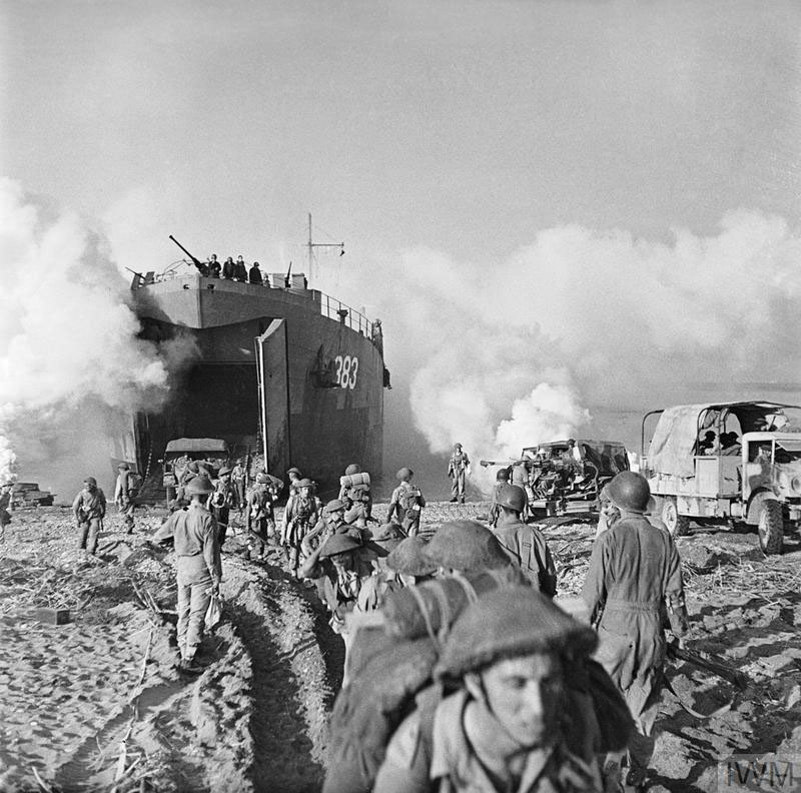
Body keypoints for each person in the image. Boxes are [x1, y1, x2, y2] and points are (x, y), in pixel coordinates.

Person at [374, 587, 607, 793]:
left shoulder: (572, 724)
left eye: (548, 681)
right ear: (475, 684)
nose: (538, 707)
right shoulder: (424, 742)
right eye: (516, 684)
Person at [581, 471, 688, 792]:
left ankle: (607, 772)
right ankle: (636, 775)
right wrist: (678, 632)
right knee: (644, 713)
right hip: (651, 634)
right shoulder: (664, 538)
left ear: (616, 502)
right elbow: (675, 596)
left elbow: (591, 599)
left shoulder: (609, 539)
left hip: (613, 635)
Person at [153, 476, 222, 673]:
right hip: (200, 567)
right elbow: (210, 553)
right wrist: (216, 577)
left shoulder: (178, 515)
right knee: (197, 614)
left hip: (182, 566)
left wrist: (175, 545)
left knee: (183, 608)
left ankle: (183, 645)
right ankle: (189, 656)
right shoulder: (207, 518)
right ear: (206, 496)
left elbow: (158, 538)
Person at [299, 533, 374, 661]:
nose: (339, 562)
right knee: (353, 653)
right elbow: (305, 571)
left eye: (342, 556)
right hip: (346, 619)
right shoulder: (332, 567)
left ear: (352, 553)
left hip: (367, 618)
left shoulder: (367, 565)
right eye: (334, 558)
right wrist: (323, 545)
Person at [493, 485, 557, 596]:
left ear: (500, 508)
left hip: (503, 607)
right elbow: (550, 577)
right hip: (533, 605)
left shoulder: (493, 539)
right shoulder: (535, 536)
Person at [283, 478, 322, 574]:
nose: (307, 491)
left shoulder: (312, 501)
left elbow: (315, 516)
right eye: (304, 489)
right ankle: (293, 573)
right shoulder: (293, 500)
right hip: (295, 529)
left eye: (309, 489)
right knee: (294, 550)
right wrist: (283, 535)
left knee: (307, 550)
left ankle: (306, 574)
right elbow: (286, 517)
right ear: (300, 490)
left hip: (307, 528)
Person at [246, 472, 277, 562]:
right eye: (266, 485)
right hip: (255, 521)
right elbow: (248, 510)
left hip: (264, 520)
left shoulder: (268, 496)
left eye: (268, 485)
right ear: (261, 484)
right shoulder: (254, 495)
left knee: (263, 538)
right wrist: (247, 525)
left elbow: (271, 509)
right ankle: (247, 552)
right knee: (255, 539)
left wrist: (273, 522)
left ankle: (260, 556)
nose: (267, 487)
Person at [72, 476, 106, 555]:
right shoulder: (82, 493)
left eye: (89, 485)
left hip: (95, 515)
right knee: (83, 532)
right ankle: (81, 548)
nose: (87, 487)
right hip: (85, 516)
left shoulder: (99, 492)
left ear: (94, 485)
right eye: (86, 486)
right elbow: (75, 506)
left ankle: (91, 550)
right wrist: (77, 519)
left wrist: (103, 512)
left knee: (94, 533)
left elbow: (103, 502)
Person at [388, 468, 426, 537]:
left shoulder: (398, 490)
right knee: (413, 538)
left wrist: (388, 517)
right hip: (415, 515)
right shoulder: (416, 489)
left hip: (403, 517)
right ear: (410, 477)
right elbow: (423, 503)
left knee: (404, 537)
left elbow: (392, 505)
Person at [211, 465, 235, 546]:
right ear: (221, 476)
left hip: (226, 509)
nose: (228, 476)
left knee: (224, 527)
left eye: (229, 474)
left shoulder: (230, 485)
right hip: (217, 509)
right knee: (218, 527)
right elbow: (210, 498)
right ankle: (216, 546)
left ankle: (220, 545)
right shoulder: (216, 485)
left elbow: (234, 497)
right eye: (226, 475)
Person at [113, 462, 137, 534]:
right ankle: (130, 528)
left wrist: (116, 498)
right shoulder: (132, 475)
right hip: (133, 495)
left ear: (121, 469)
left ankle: (130, 524)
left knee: (122, 511)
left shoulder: (121, 476)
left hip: (124, 496)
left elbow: (118, 488)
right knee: (130, 511)